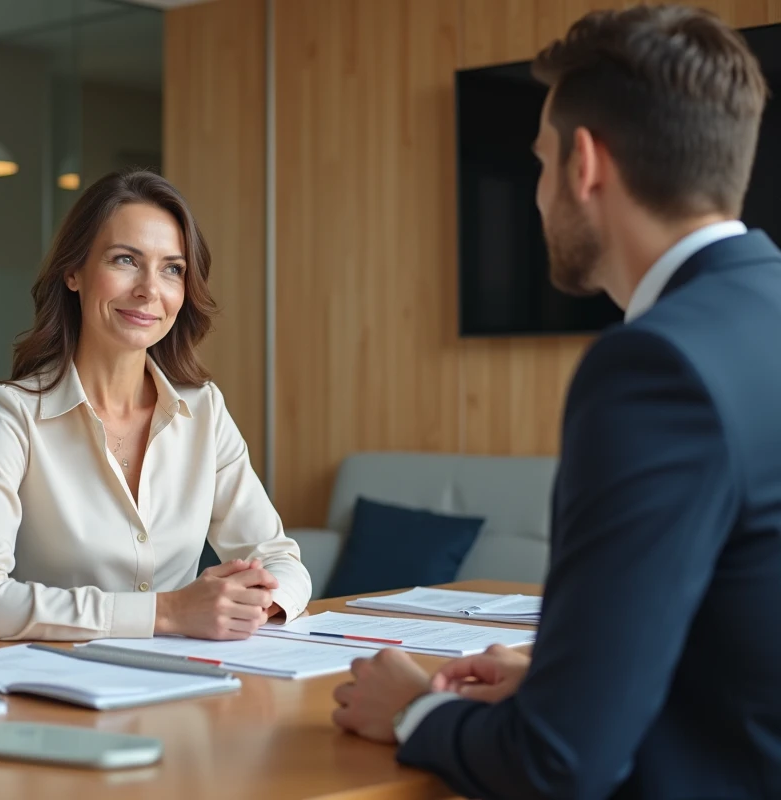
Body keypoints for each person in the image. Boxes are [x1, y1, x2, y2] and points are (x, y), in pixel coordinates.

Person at [331, 6, 781, 798]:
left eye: (539, 165)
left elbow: (560, 761)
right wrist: (568, 674)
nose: (537, 198)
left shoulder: (652, 369)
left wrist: (411, 712)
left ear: (584, 164)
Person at [0, 170, 311, 642]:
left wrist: (252, 604)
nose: (149, 290)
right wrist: (168, 612)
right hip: (56, 691)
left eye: (172, 268)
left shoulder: (205, 412)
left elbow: (281, 561)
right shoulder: (10, 414)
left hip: (187, 686)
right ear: (73, 272)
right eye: (125, 260)